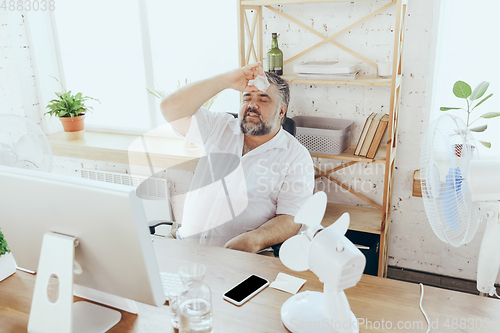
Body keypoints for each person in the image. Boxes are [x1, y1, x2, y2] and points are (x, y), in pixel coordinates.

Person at [161, 62, 314, 253]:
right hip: (185, 249)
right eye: (247, 97)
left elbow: (291, 218)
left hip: (241, 260)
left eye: (263, 99)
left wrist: (256, 239)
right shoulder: (218, 126)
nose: (252, 105)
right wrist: (225, 80)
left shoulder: (296, 157)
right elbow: (169, 108)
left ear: (282, 111)